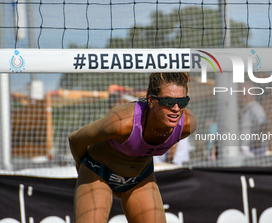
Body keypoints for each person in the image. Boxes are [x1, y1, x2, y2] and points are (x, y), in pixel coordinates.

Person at [69, 73, 197, 223]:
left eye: (182, 101)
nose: (176, 108)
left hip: (140, 177)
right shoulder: (122, 123)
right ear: (151, 100)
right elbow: (75, 139)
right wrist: (82, 165)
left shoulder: (187, 125)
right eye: (168, 101)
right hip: (98, 171)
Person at [239, 82, 269, 157]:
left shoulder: (255, 108)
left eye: (238, 94)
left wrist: (257, 142)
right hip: (248, 153)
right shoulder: (246, 110)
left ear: (244, 95)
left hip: (255, 153)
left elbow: (264, 124)